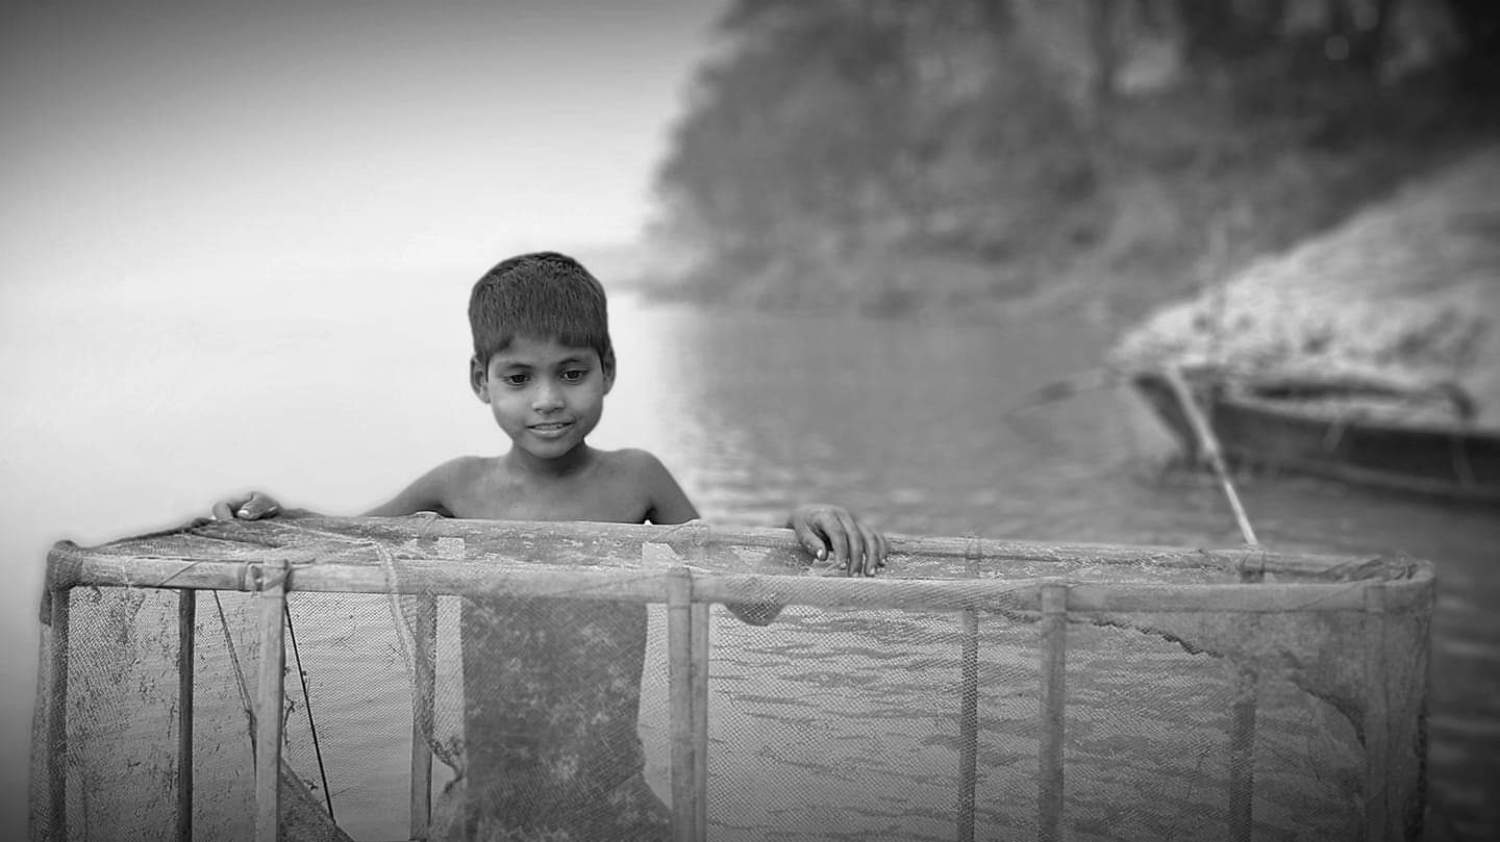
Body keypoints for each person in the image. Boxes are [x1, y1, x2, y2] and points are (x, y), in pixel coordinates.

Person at [213, 251, 887, 841]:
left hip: (609, 794)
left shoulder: (638, 480)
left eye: (570, 373)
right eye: (518, 378)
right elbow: (348, 543)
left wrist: (802, 524)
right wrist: (275, 513)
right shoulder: (458, 485)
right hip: (491, 800)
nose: (547, 400)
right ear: (480, 379)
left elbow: (752, 603)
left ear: (607, 370)